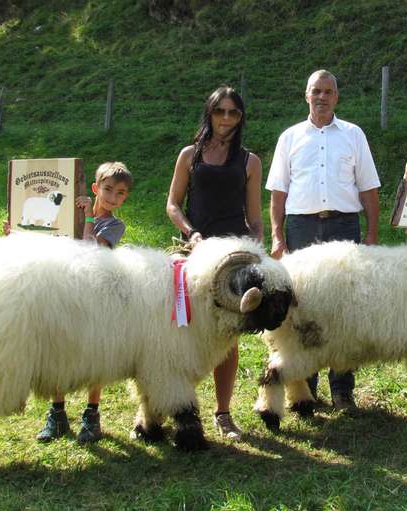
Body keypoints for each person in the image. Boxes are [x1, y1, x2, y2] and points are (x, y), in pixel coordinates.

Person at [266, 69, 381, 410]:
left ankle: (343, 389)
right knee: (302, 306)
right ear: (306, 95)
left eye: (328, 91)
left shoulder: (353, 135)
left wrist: (372, 233)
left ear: (336, 97)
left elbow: (369, 188)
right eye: (316, 90)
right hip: (301, 227)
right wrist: (277, 236)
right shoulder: (289, 137)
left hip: (344, 227)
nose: (321, 97)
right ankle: (306, 387)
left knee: (346, 308)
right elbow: (278, 192)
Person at [166, 86, 263, 440]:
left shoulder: (249, 161)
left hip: (231, 260)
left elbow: (254, 216)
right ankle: (178, 405)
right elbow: (173, 204)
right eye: (219, 111)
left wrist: (258, 245)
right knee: (180, 327)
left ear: (240, 118)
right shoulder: (189, 155)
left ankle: (223, 413)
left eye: (233, 113)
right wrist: (190, 233)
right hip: (193, 251)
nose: (225, 119)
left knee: (227, 336)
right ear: (209, 113)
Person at [35, 161, 133, 442]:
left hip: (96, 297)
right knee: (59, 349)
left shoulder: (114, 225)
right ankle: (57, 413)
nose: (113, 197)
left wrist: (89, 216)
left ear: (125, 197)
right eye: (108, 190)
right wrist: (16, 229)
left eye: (120, 193)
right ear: (95, 188)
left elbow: (90, 250)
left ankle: (92, 415)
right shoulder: (66, 214)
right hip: (64, 291)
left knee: (95, 353)